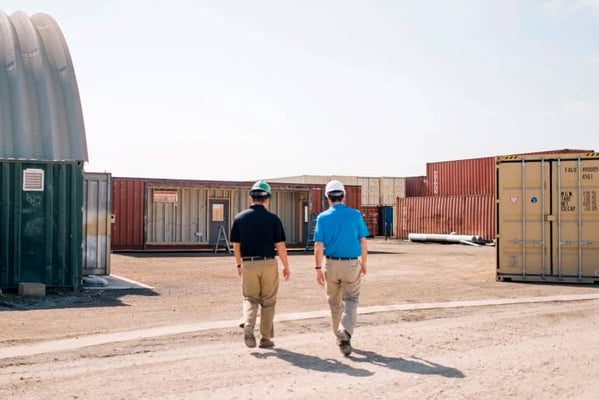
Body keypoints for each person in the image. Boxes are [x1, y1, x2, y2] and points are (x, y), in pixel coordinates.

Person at [230, 180, 291, 349]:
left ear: (251, 198)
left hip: (248, 263)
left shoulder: (240, 218)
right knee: (268, 301)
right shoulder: (273, 219)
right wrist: (286, 266)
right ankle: (265, 338)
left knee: (250, 298)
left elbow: (236, 245)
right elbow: (280, 246)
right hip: (268, 263)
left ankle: (249, 324)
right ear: (267, 199)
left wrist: (238, 265)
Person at [313, 179, 369, 356]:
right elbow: (363, 242)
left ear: (327, 197)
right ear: (344, 196)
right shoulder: (355, 215)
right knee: (351, 299)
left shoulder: (322, 218)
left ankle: (339, 335)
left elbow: (318, 246)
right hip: (351, 263)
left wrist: (317, 268)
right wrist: (364, 263)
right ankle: (345, 332)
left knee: (334, 302)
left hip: (330, 264)